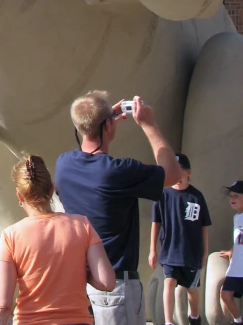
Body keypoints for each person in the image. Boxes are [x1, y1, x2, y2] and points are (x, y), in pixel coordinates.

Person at [55, 92, 181, 325]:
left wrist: (101, 119)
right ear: (109, 125)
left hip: (80, 285)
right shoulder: (118, 172)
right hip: (116, 287)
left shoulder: (63, 165)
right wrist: (149, 124)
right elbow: (173, 174)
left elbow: (86, 144)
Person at [0, 153, 115, 325]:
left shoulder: (11, 236)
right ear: (51, 189)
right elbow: (106, 282)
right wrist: (79, 271)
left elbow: (2, 305)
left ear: (19, 196)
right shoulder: (81, 225)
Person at [149, 153, 211, 325]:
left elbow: (204, 226)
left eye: (180, 171)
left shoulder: (196, 197)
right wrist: (152, 250)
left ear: (188, 172)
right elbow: (156, 222)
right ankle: (169, 322)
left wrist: (205, 253)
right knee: (169, 282)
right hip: (170, 252)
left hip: (191, 253)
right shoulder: (163, 195)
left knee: (192, 290)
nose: (176, 175)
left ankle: (195, 317)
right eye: (172, 171)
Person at [220, 180, 243, 324]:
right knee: (225, 294)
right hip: (236, 268)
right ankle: (238, 321)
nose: (232, 199)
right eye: (231, 196)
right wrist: (231, 251)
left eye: (237, 196)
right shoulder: (237, 218)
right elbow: (238, 239)